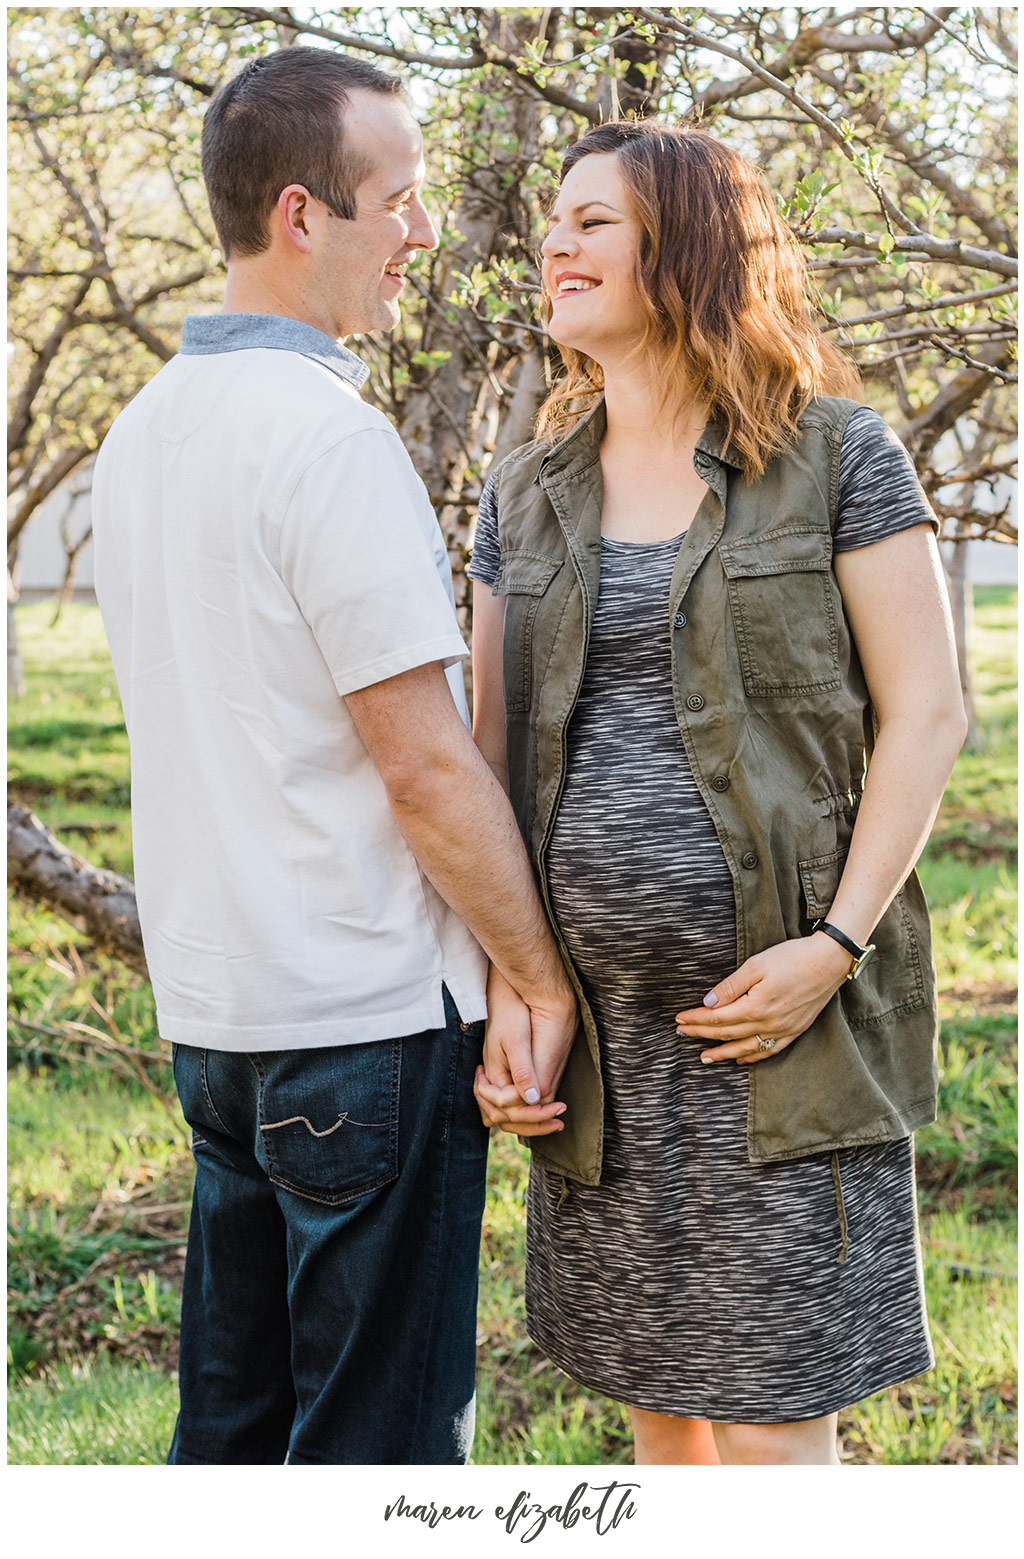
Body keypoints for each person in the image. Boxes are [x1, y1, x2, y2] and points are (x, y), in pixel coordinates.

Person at [91, 46, 575, 1466]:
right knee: (380, 1466)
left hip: (220, 1025)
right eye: (402, 200)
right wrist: (533, 979)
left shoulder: (141, 435)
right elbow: (424, 765)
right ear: (304, 216)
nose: (423, 234)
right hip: (362, 1025)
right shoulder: (325, 438)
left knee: (232, 1440)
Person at [469, 121, 968, 1467]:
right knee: (664, 1420)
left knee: (766, 1431)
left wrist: (834, 945)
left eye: (593, 223)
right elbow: (489, 761)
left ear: (682, 246)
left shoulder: (839, 458)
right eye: (551, 224)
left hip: (782, 1033)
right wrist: (513, 993)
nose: (554, 247)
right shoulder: (524, 493)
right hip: (600, 1046)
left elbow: (929, 712)